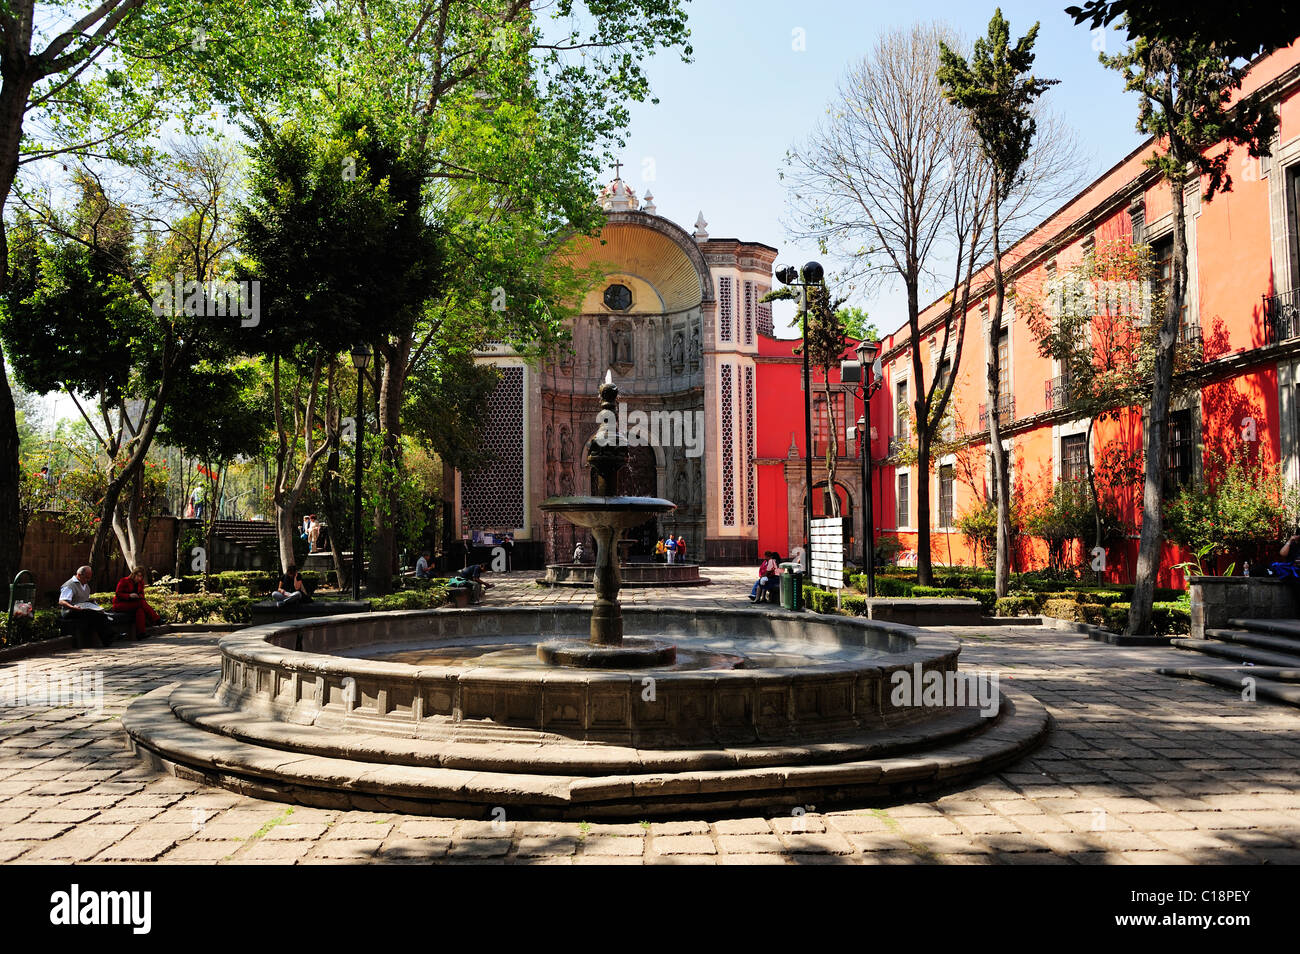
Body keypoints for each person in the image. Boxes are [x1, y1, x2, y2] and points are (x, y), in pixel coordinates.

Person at [59, 565, 111, 643]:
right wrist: (73, 607)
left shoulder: (86, 586)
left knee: (100, 614)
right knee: (95, 615)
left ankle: (109, 638)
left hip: (82, 610)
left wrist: (93, 604)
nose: (88, 580)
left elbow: (83, 599)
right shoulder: (69, 585)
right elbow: (62, 601)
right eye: (87, 577)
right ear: (79, 575)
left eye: (90, 577)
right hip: (69, 611)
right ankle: (108, 638)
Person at [113, 567, 161, 638]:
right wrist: (129, 595)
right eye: (138, 576)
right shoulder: (124, 580)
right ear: (133, 574)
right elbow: (118, 594)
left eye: (141, 576)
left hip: (134, 604)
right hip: (120, 604)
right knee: (140, 604)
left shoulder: (140, 583)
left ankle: (141, 634)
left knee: (140, 610)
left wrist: (138, 595)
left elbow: (142, 596)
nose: (139, 578)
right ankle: (157, 619)